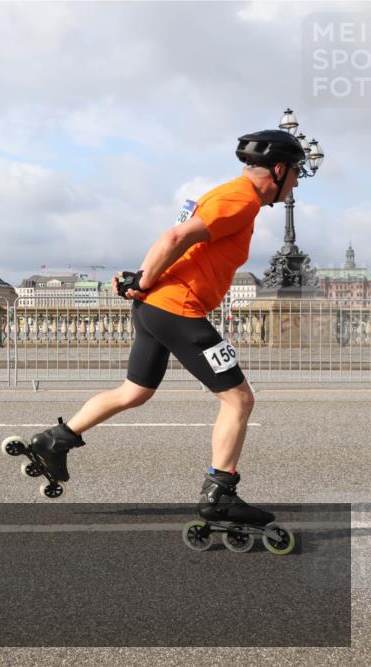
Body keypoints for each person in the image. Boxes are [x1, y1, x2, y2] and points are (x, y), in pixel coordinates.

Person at [28, 129, 306, 525]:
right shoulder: (241, 199)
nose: (296, 182)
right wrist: (142, 280)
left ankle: (54, 441)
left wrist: (140, 281)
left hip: (156, 308)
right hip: (179, 309)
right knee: (239, 400)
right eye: (296, 172)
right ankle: (220, 494)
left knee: (134, 392)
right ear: (278, 169)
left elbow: (175, 238)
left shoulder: (224, 195)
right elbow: (175, 236)